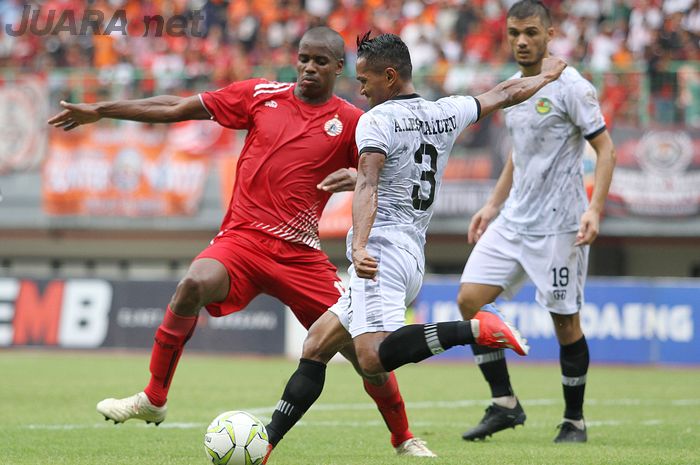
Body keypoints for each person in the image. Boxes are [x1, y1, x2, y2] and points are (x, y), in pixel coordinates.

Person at [47, 26, 436, 458]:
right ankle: (153, 399)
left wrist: (356, 178)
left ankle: (403, 437)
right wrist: (101, 109)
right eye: (303, 58)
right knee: (193, 283)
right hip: (243, 241)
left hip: (302, 255)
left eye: (320, 61)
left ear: (338, 68)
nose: (309, 67)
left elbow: (382, 173)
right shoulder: (259, 95)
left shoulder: (351, 123)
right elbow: (175, 106)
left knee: (361, 351)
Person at [261, 32, 567, 462]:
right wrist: (549, 74)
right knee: (317, 345)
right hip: (410, 251)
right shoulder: (446, 110)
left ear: (389, 76)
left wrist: (360, 247)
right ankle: (264, 444)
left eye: (365, 80)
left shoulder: (377, 120)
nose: (360, 89)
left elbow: (368, 182)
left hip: (380, 252)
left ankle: (475, 330)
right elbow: (506, 92)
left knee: (372, 358)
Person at [457, 0, 616, 444]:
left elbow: (607, 150)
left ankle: (574, 421)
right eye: (514, 33)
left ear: (549, 35)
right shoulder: (511, 88)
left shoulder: (572, 87)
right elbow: (518, 154)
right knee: (469, 301)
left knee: (565, 323)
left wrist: (594, 208)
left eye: (530, 32)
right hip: (512, 221)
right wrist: (492, 205)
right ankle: (505, 404)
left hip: (560, 226)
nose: (522, 41)